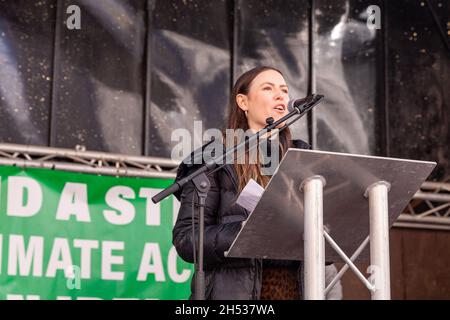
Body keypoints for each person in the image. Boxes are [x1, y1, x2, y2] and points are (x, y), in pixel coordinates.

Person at [172, 66, 340, 300]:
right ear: (243, 102)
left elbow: (330, 249)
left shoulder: (304, 158)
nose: (281, 95)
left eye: (284, 90)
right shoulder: (214, 158)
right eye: (268, 88)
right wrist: (244, 232)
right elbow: (186, 239)